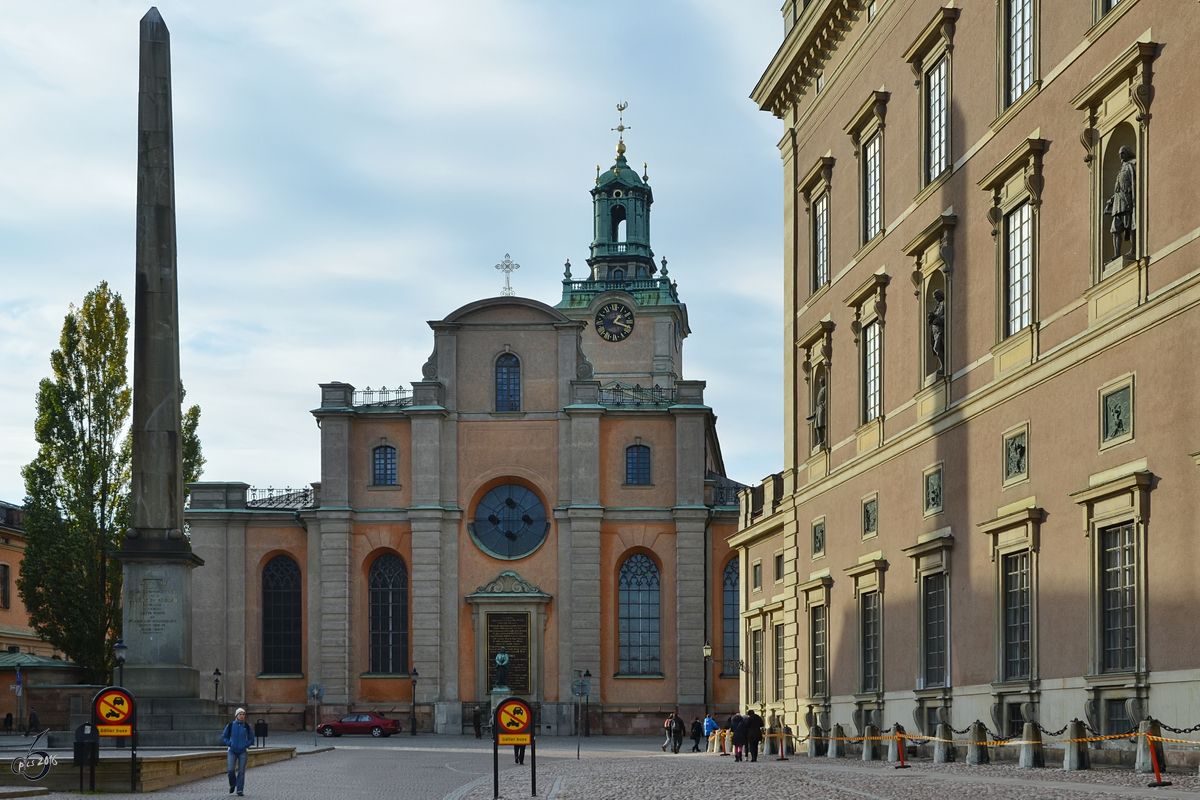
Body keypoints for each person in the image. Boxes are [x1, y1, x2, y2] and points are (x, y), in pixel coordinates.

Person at [222, 707, 255, 796]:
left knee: (241, 771)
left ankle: (240, 790)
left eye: (243, 714)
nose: (242, 716)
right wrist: (229, 743)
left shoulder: (247, 727)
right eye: (240, 714)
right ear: (236, 715)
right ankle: (233, 784)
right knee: (231, 769)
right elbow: (224, 736)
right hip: (232, 750)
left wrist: (246, 745)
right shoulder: (230, 725)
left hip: (243, 751)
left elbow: (252, 738)